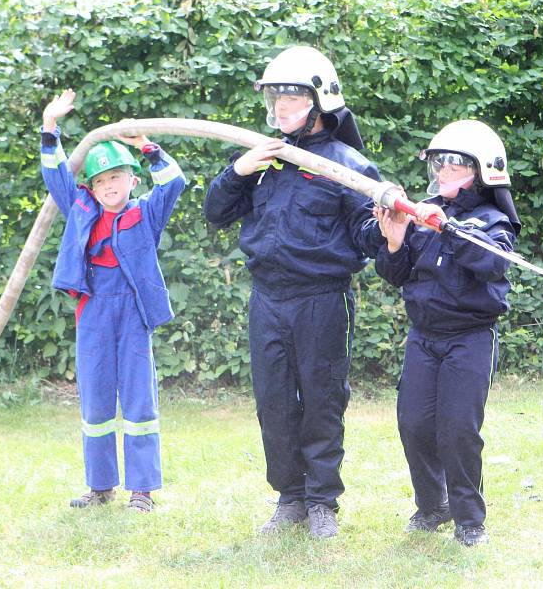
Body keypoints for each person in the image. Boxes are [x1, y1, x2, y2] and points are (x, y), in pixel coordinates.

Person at [204, 46, 385, 538]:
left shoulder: (349, 166)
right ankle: (290, 497)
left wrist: (387, 224)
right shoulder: (262, 158)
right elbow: (216, 213)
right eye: (274, 99)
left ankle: (323, 501)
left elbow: (368, 240)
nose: (280, 108)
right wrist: (237, 171)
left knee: (323, 399)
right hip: (267, 298)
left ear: (320, 100)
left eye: (290, 97)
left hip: (321, 300)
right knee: (274, 401)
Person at [373, 120, 521, 546]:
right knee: (414, 423)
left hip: (470, 338)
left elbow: (492, 263)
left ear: (481, 172)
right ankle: (431, 504)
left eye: (452, 167)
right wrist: (396, 240)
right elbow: (396, 275)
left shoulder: (494, 222)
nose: (441, 174)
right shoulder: (425, 214)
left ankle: (469, 519)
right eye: (438, 165)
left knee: (457, 429)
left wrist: (449, 228)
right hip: (424, 337)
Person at [40, 89, 186, 513]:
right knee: (96, 400)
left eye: (117, 177)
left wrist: (147, 147)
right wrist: (50, 127)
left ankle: (141, 490)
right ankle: (99, 486)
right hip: (94, 310)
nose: (109, 186)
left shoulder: (146, 212)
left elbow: (174, 181)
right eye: (101, 180)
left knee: (139, 400)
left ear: (132, 180)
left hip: (133, 312)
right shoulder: (81, 206)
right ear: (91, 186)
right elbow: (55, 176)